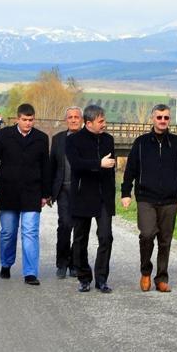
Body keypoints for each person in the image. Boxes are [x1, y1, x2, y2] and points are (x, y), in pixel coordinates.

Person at [121, 104, 177, 293]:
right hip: (146, 198)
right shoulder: (141, 143)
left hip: (169, 199)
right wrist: (126, 192)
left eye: (166, 118)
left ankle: (161, 278)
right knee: (147, 234)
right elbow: (130, 170)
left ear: (169, 120)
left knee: (165, 240)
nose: (162, 121)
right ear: (153, 118)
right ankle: (145, 272)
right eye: (159, 117)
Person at [0, 103, 51, 285]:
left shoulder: (41, 138)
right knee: (8, 232)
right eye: (25, 120)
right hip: (9, 192)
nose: (28, 123)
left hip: (32, 192)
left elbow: (46, 166)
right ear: (17, 119)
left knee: (30, 232)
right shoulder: (4, 135)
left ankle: (30, 272)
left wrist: (46, 193)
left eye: (31, 120)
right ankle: (6, 263)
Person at [66, 104, 116, 293]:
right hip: (82, 195)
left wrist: (113, 195)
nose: (104, 124)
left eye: (104, 120)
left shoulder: (108, 140)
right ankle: (84, 277)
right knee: (80, 239)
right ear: (89, 123)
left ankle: (101, 279)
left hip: (103, 196)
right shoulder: (73, 141)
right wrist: (98, 164)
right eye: (101, 121)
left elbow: (111, 169)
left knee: (106, 237)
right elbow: (76, 164)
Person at [50, 106, 83, 279]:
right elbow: (52, 166)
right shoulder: (58, 139)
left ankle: (75, 264)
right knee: (64, 225)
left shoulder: (89, 138)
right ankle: (61, 262)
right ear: (66, 120)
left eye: (76, 117)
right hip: (63, 189)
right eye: (70, 117)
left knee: (79, 228)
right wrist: (49, 191)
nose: (73, 120)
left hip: (83, 191)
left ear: (82, 119)